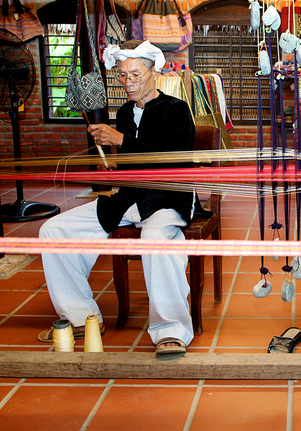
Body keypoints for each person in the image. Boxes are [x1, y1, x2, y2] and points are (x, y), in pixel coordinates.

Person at [38, 40, 197, 355]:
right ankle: (83, 316)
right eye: (123, 76)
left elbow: (171, 161)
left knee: (154, 238)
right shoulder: (125, 112)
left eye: (136, 74)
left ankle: (171, 331)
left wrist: (120, 140)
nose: (129, 82)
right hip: (129, 200)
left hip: (167, 198)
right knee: (52, 230)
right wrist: (112, 165)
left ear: (154, 72)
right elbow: (131, 165)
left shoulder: (176, 109)